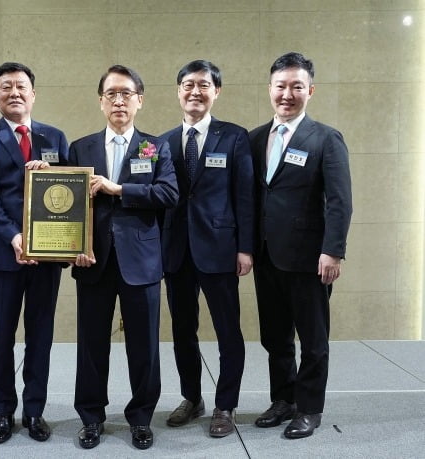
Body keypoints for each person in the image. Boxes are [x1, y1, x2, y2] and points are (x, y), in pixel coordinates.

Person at [68, 65, 179, 450]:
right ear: (101, 101)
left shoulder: (155, 146)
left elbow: (168, 194)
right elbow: (65, 205)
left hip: (142, 262)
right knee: (91, 345)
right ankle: (91, 417)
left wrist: (118, 189)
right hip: (92, 260)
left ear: (140, 101)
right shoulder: (80, 148)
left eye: (126, 94)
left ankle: (141, 418)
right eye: (111, 94)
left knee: (144, 346)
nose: (119, 100)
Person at [249, 52, 352, 439]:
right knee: (274, 336)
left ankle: (309, 408)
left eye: (296, 86)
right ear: (270, 89)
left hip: (311, 259)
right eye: (280, 86)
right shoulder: (256, 138)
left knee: (312, 340)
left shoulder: (326, 138)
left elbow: (341, 200)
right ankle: (283, 399)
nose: (287, 94)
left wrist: (334, 250)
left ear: (310, 90)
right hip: (266, 255)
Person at [0, 62, 68, 444]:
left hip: (48, 253)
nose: (14, 92)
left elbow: (67, 193)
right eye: (5, 87)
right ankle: (3, 412)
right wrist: (13, 235)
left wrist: (51, 172)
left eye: (21, 86)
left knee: (41, 334)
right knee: (2, 337)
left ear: (33, 93)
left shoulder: (55, 137)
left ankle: (35, 411)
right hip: (2, 253)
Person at [160, 60, 254, 437]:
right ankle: (191, 397)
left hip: (219, 248)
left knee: (227, 329)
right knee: (183, 330)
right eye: (187, 84)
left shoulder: (234, 137)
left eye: (203, 85)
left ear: (216, 91)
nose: (195, 91)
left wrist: (245, 248)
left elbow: (244, 196)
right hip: (175, 250)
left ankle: (225, 404)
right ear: (178, 91)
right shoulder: (161, 142)